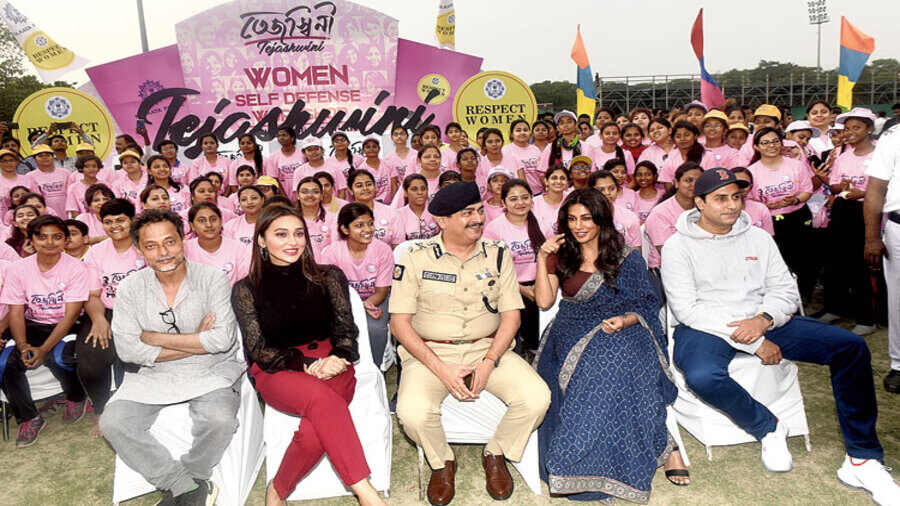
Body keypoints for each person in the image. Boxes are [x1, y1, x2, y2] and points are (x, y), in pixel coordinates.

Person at [661, 168, 899, 504]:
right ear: (699, 203)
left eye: (736, 197)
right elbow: (688, 309)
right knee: (701, 374)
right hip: (707, 327)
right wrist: (755, 341)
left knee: (851, 347)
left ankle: (861, 458)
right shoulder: (677, 245)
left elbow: (784, 290)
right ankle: (768, 428)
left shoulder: (758, 237)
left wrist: (763, 320)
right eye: (720, 198)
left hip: (763, 320)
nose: (731, 206)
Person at [391, 182, 550, 506]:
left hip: (488, 348)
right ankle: (442, 461)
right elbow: (399, 324)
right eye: (467, 214)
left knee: (537, 398)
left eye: (479, 210)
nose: (478, 218)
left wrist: (489, 360)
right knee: (412, 412)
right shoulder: (415, 258)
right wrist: (442, 369)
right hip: (429, 352)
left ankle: (497, 452)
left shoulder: (498, 254)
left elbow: (511, 317)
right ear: (442, 221)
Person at [231, 204, 385, 506]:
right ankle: (367, 494)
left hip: (334, 362)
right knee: (323, 401)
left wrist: (340, 357)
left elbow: (346, 326)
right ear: (261, 240)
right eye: (281, 234)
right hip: (277, 368)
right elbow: (258, 349)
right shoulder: (245, 289)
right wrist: (306, 365)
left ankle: (277, 489)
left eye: (298, 233)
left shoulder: (329, 276)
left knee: (315, 431)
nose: (293, 242)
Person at [533, 188, 681, 502]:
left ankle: (632, 457)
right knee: (598, 369)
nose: (578, 225)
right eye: (572, 219)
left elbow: (645, 302)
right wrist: (542, 257)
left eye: (586, 218)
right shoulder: (562, 254)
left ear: (601, 219)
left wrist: (625, 320)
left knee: (624, 361)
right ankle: (589, 467)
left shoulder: (627, 257)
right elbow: (545, 302)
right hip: (572, 331)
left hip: (623, 327)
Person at [100, 209, 244, 505]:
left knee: (219, 420)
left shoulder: (213, 278)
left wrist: (153, 338)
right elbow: (127, 350)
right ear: (139, 250)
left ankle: (196, 473)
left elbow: (221, 341)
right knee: (113, 422)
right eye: (151, 246)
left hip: (212, 369)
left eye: (170, 242)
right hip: (154, 374)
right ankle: (181, 484)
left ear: (183, 242)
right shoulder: (129, 288)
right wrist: (196, 341)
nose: (163, 253)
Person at [0, 215, 89, 446]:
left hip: (67, 324)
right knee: (5, 364)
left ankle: (76, 397)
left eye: (57, 237)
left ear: (65, 240)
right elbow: (16, 312)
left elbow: (71, 315)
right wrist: (22, 345)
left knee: (59, 357)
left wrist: (43, 350)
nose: (49, 243)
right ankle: (29, 417)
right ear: (31, 240)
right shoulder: (17, 269)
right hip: (32, 325)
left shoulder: (77, 268)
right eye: (42, 237)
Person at [79, 199, 145, 434]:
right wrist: (98, 320)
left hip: (142, 311)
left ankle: (131, 410)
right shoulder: (95, 253)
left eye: (120, 220)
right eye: (108, 222)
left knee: (131, 358)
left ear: (132, 220)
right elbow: (93, 294)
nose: (114, 226)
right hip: (105, 310)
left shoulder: (144, 246)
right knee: (91, 356)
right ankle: (101, 410)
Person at [818, 108, 879, 336]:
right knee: (835, 261)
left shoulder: (879, 156)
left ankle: (866, 319)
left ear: (869, 129)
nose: (850, 133)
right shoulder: (843, 156)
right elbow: (833, 185)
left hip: (865, 212)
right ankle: (834, 308)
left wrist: (861, 193)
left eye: (857, 128)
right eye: (847, 128)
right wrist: (841, 188)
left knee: (860, 264)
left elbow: (884, 188)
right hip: (843, 210)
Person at [321, 203, 394, 369]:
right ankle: (341, 367)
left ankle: (374, 369)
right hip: (342, 304)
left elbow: (381, 291)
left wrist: (364, 306)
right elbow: (330, 292)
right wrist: (355, 307)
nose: (367, 229)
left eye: (370, 223)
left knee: (374, 328)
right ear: (345, 230)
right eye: (359, 225)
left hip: (375, 299)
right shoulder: (332, 252)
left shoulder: (383, 250)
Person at [747, 127, 815, 301]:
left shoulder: (796, 165)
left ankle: (803, 298)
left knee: (803, 261)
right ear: (756, 147)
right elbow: (749, 200)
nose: (772, 146)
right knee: (777, 263)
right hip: (770, 223)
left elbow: (807, 189)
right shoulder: (752, 172)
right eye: (765, 142)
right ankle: (779, 300)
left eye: (775, 141)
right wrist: (764, 206)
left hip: (798, 218)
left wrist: (795, 200)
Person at [483, 179, 545, 354]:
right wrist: (522, 289)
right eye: (513, 199)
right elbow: (491, 269)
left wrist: (539, 287)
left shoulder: (541, 223)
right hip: (508, 287)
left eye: (525, 197)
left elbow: (550, 260)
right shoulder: (494, 228)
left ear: (532, 199)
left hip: (538, 286)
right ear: (503, 203)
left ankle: (534, 350)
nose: (520, 203)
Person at [863, 119, 900, 393]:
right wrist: (872, 237)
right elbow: (875, 190)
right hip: (899, 227)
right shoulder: (893, 137)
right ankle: (899, 364)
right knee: (898, 300)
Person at [645, 162, 704, 269]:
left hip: (699, 264)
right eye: (688, 180)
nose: (694, 185)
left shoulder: (705, 208)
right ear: (676, 183)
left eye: (699, 181)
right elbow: (667, 254)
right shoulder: (660, 213)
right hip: (665, 269)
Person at [184, 202, 250, 286]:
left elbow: (244, 284)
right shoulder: (185, 249)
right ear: (192, 225)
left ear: (221, 221)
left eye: (213, 219)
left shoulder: (238, 248)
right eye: (202, 221)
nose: (209, 225)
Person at [590, 170, 642, 250]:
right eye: (601, 190)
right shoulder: (585, 217)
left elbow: (637, 253)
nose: (607, 193)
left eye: (611, 188)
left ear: (617, 189)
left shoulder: (630, 217)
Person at [345, 169, 397, 245]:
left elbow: (398, 246)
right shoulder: (344, 214)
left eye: (369, 184)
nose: (365, 188)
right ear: (350, 190)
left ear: (375, 187)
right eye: (359, 186)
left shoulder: (390, 212)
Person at [296, 176, 338, 259]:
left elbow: (336, 250)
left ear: (322, 195)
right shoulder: (290, 220)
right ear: (297, 195)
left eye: (315, 192)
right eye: (304, 192)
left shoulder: (333, 218)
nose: (310, 195)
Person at [393, 174, 439, 243]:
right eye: (414, 189)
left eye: (423, 189)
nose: (420, 193)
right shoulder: (398, 215)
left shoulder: (436, 212)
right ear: (405, 192)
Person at [25, 145, 69, 217]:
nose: (44, 158)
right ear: (35, 159)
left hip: (66, 214)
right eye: (40, 156)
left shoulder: (65, 173)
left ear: (53, 157)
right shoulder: (29, 176)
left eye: (48, 155)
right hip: (44, 216)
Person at [503, 120, 544, 194]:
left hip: (538, 192)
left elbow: (541, 173)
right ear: (511, 134)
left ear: (530, 133)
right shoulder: (505, 150)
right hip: (516, 194)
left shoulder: (535, 149)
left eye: (525, 130)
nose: (522, 132)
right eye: (518, 130)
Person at [731, 167, 775, 236]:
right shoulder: (718, 210)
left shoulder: (761, 209)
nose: (741, 188)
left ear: (751, 187)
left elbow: (769, 238)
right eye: (737, 183)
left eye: (745, 184)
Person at [267, 127, 307, 195]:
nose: (281, 138)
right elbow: (274, 179)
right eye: (279, 136)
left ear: (292, 138)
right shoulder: (272, 157)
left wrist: (301, 195)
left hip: (303, 192)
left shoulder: (303, 154)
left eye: (284, 135)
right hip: (282, 193)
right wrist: (284, 196)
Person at [531, 165, 569, 235]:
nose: (558, 181)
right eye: (554, 178)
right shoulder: (534, 202)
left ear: (567, 183)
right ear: (546, 181)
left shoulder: (570, 200)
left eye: (562, 178)